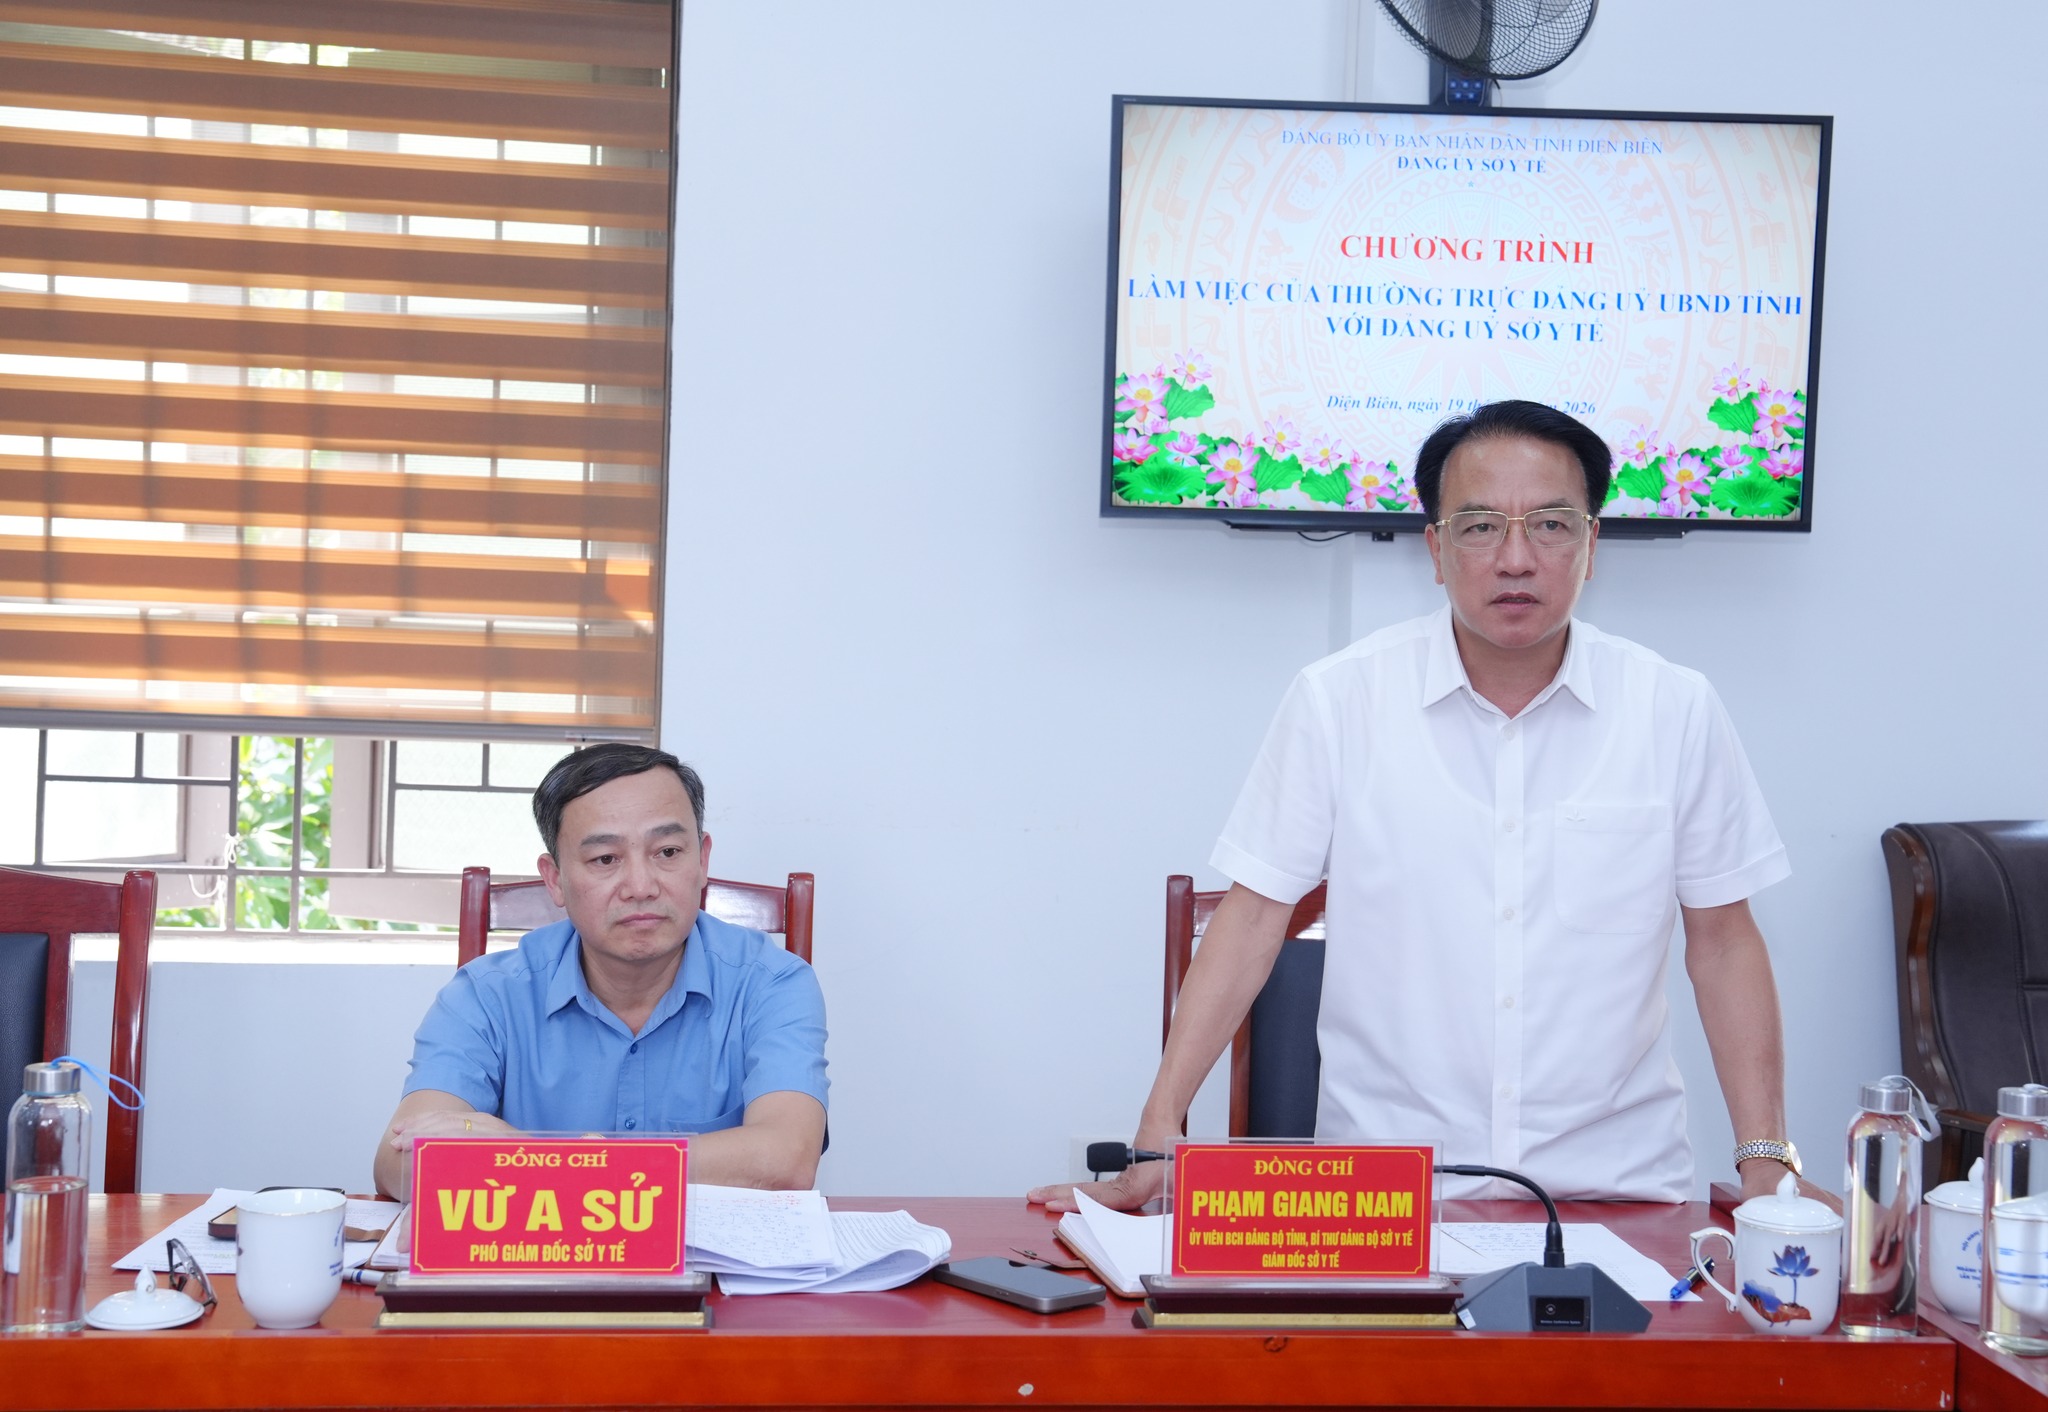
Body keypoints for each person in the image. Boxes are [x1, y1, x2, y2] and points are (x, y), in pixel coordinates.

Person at [1031, 400, 1798, 1212]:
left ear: (1591, 545)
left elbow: (1724, 942)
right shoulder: (1340, 700)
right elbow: (1253, 920)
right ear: (1435, 549)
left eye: (1550, 526)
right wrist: (1157, 1137)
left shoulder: (1674, 708)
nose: (1515, 559)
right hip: (1384, 1199)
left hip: (1616, 1193)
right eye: (1479, 527)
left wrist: (1765, 1161)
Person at [373, 744, 827, 1198]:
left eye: (668, 851)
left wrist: (534, 1155)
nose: (641, 887)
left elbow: (787, 1159)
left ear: (702, 860)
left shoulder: (772, 984)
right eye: (605, 859)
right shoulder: (486, 995)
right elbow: (399, 1163)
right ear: (555, 879)